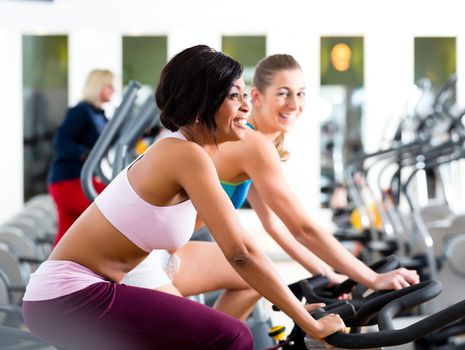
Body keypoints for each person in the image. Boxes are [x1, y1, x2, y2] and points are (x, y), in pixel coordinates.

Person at [22, 45, 346, 350]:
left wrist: (298, 304)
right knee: (234, 336)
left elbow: (239, 250)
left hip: (91, 288)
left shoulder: (191, 153)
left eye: (245, 94)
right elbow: (241, 252)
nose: (247, 106)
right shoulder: (184, 155)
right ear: (202, 103)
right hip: (69, 297)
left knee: (222, 321)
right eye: (235, 96)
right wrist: (307, 322)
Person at [193, 53, 419, 290]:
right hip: (177, 243)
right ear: (257, 97)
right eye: (283, 93)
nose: (294, 104)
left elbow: (275, 226)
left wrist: (330, 275)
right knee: (256, 275)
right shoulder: (252, 143)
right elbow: (302, 229)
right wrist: (371, 278)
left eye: (300, 93)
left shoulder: (254, 142)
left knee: (259, 275)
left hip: (185, 238)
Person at [48, 69, 115, 247]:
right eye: (109, 86)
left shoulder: (100, 115)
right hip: (68, 181)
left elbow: (116, 138)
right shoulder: (80, 111)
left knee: (65, 236)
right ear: (98, 87)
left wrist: (147, 130)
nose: (114, 90)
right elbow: (61, 141)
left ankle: (54, 272)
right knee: (110, 212)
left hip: (84, 179)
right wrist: (85, 153)